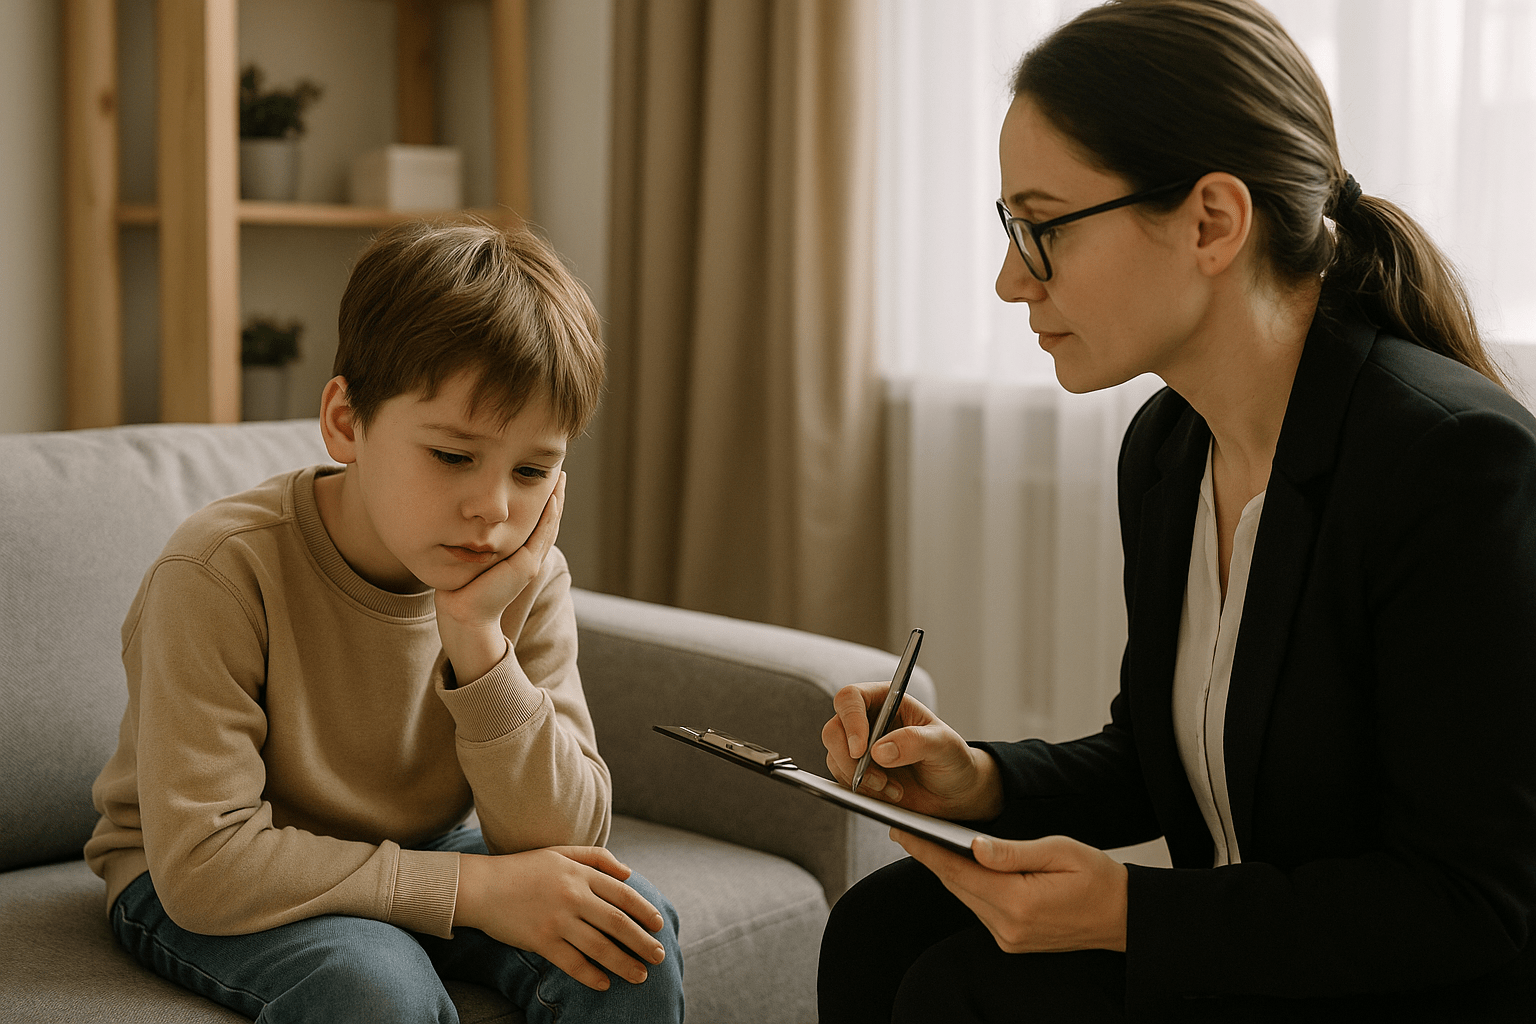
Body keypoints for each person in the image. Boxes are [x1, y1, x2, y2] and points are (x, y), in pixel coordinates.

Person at [817, 1, 1536, 1021]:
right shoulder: (1168, 447)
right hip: (1255, 945)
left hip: (1404, 983)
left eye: (1044, 227)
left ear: (1212, 221)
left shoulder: (1450, 463)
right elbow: (1168, 758)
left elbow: (1471, 900)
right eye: (1010, 227)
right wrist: (982, 781)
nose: (1011, 278)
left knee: (966, 987)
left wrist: (1136, 912)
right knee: (886, 921)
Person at [85, 221, 685, 1024]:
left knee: (625, 937)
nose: (495, 509)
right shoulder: (220, 570)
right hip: (192, 873)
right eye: (452, 456)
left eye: (533, 470)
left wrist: (479, 644)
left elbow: (569, 838)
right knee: (376, 987)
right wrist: (470, 891)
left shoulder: (521, 578)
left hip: (418, 846)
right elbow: (205, 863)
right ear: (345, 422)